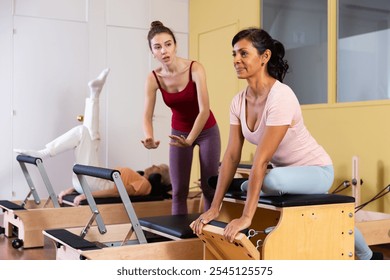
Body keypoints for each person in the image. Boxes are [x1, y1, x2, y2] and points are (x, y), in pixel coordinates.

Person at [190, 27, 382, 260]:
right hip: (285, 174)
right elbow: (231, 155)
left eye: (243, 54)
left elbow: (261, 160)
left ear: (265, 57)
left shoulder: (281, 96)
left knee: (270, 180)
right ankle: (368, 256)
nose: (236, 60)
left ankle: (242, 185)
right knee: (271, 182)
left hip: (316, 172)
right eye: (233, 54)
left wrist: (246, 217)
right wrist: (214, 207)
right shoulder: (238, 101)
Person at [14, 68, 171, 206]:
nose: (152, 165)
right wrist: (71, 190)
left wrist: (87, 195)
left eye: (157, 167)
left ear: (158, 176)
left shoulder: (146, 185)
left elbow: (117, 192)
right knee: (92, 137)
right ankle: (95, 94)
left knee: (82, 132)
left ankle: (44, 153)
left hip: (95, 186)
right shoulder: (138, 175)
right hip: (90, 182)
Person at [142, 21, 221, 215]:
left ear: (175, 45)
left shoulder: (195, 68)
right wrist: (149, 137)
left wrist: (190, 140)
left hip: (206, 131)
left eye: (168, 44)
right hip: (178, 133)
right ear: (152, 52)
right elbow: (147, 114)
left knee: (209, 187)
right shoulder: (154, 78)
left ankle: (209, 236)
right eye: (158, 47)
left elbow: (204, 110)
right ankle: (180, 242)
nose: (164, 51)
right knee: (178, 191)